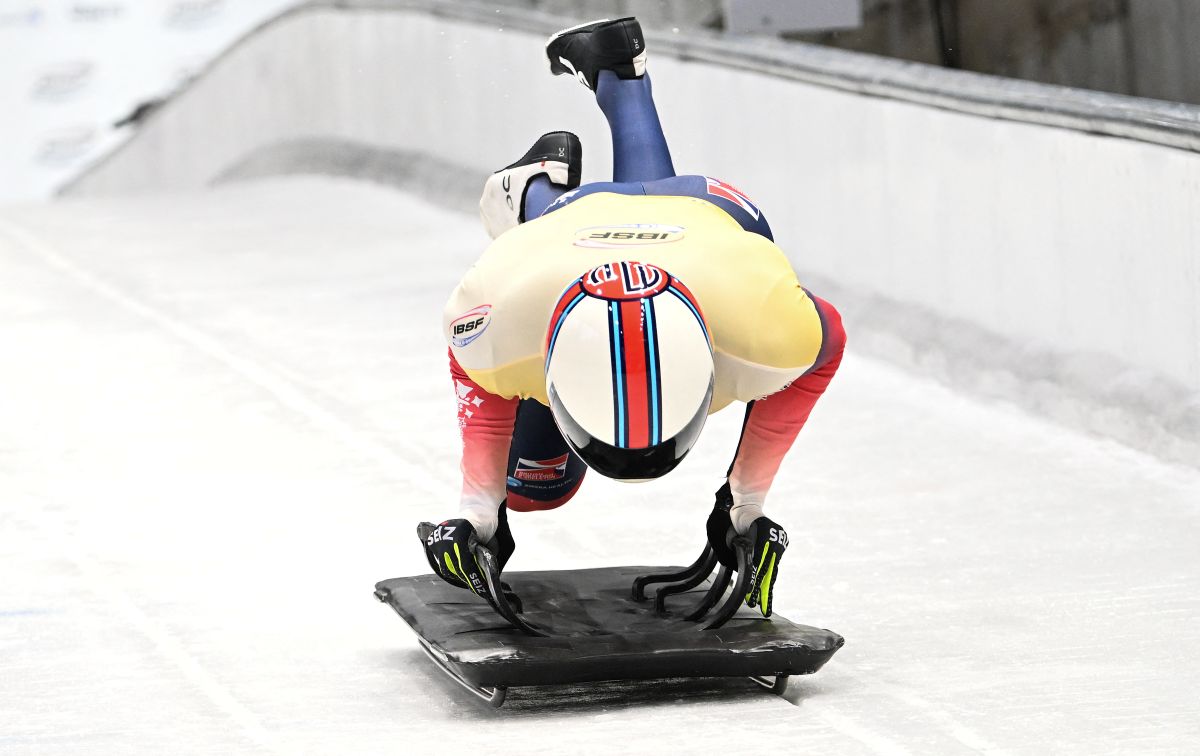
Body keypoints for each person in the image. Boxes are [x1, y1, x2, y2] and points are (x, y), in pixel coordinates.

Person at [422, 17, 845, 618]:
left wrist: (479, 512)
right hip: (646, 218)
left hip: (704, 227)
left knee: (533, 481)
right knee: (540, 488)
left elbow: (480, 381)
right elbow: (828, 344)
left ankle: (611, 95)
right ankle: (532, 191)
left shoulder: (764, 329)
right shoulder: (505, 310)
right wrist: (744, 504)